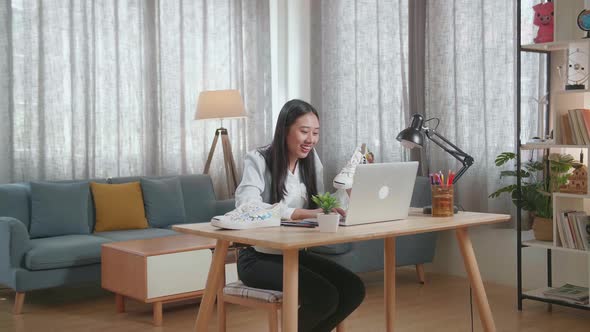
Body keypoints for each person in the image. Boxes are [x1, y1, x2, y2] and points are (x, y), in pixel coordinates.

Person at [235, 99, 365, 332]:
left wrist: (349, 187)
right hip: (257, 258)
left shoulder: (311, 160)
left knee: (353, 288)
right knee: (324, 296)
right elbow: (247, 205)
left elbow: (322, 205)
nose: (311, 140)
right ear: (285, 129)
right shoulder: (258, 159)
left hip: (294, 254)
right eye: (304, 131)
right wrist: (303, 213)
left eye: (315, 133)